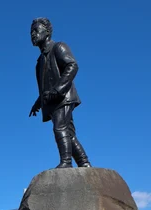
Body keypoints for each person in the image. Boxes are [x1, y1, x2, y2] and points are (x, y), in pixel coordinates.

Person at [28, 17, 91, 169]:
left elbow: (72, 65)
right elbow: (45, 86)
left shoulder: (59, 47)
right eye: (31, 32)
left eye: (36, 30)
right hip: (53, 100)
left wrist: (58, 90)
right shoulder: (39, 62)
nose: (33, 34)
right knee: (69, 133)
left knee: (60, 128)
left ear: (48, 31)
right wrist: (38, 103)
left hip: (63, 97)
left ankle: (66, 162)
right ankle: (84, 163)